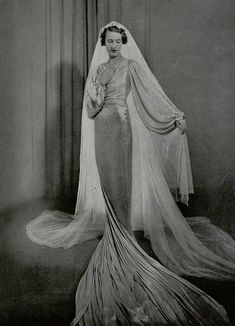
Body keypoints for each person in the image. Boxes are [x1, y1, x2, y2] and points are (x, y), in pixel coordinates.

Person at [26, 22, 235, 324]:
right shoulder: (98, 71)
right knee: (108, 185)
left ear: (122, 42)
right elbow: (90, 111)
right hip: (102, 131)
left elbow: (149, 97)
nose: (112, 46)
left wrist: (173, 117)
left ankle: (123, 239)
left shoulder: (131, 66)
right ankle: (115, 232)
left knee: (122, 184)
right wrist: (95, 99)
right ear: (104, 43)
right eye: (108, 42)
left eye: (116, 41)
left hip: (121, 130)